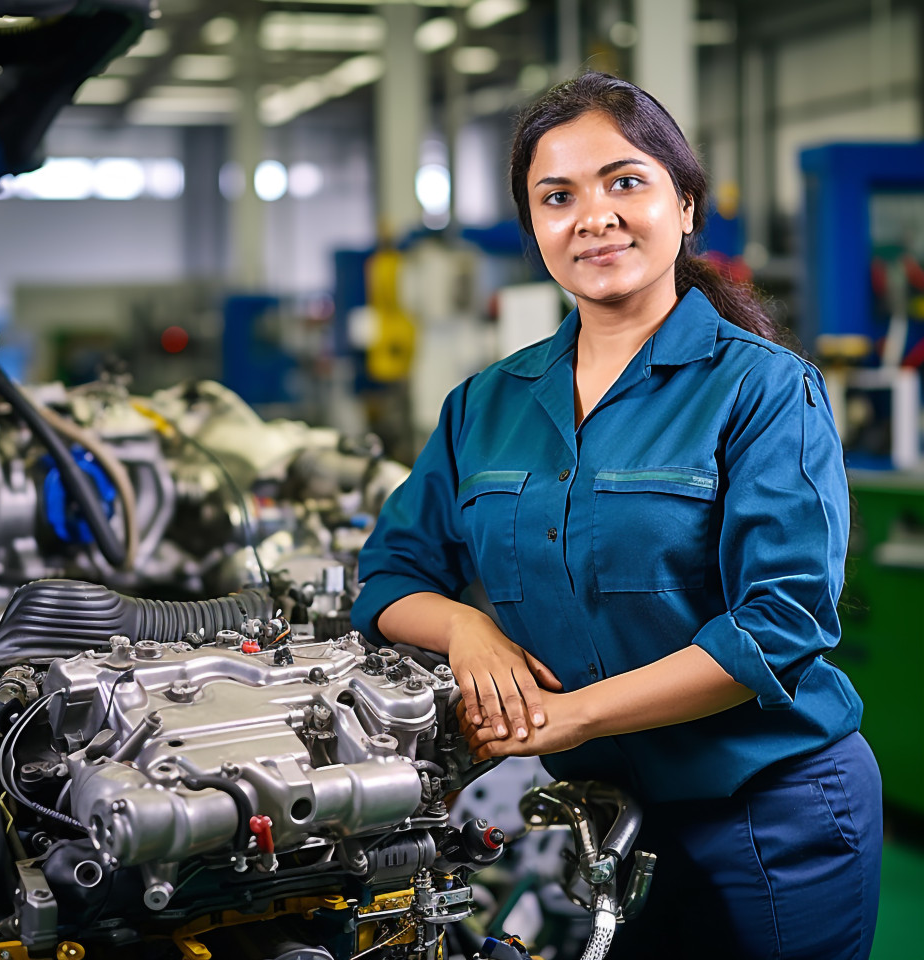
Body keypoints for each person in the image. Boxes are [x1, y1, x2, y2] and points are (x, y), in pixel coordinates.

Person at [350, 72, 882, 959]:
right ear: (535, 232)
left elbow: (780, 625)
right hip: (607, 828)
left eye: (624, 181)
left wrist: (574, 717)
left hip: (773, 816)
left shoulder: (762, 390)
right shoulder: (488, 402)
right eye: (557, 197)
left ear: (684, 202)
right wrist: (467, 631)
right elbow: (390, 574)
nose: (592, 216)